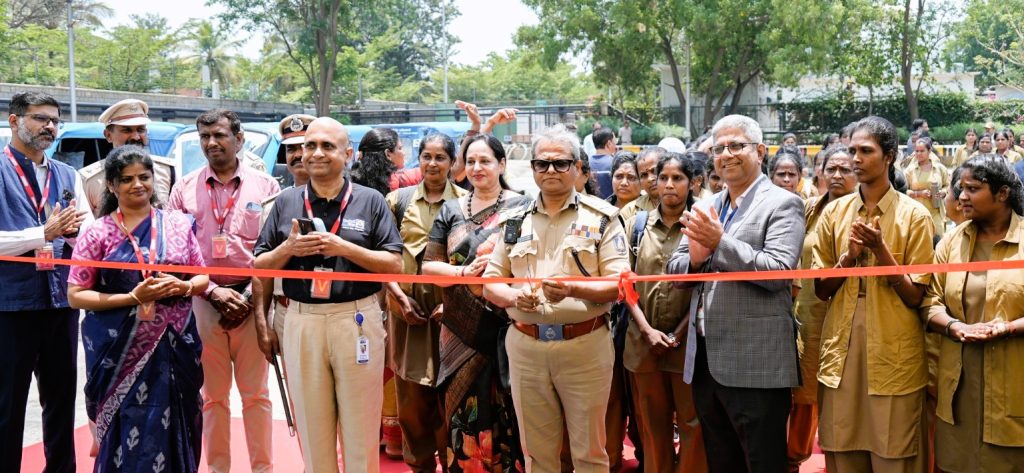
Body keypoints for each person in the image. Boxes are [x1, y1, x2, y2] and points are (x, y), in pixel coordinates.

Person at [254, 117, 403, 473]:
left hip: (356, 319)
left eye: (327, 146)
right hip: (301, 321)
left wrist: (343, 247)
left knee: (360, 431)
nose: (317, 153)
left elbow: (394, 264)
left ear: (348, 154)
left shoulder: (370, 201)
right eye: (310, 146)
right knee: (312, 429)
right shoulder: (285, 202)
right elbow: (259, 265)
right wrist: (287, 248)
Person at [483, 125, 630, 472]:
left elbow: (619, 285)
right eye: (542, 164)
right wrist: (516, 296)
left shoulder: (602, 218)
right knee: (536, 453)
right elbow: (491, 283)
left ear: (578, 168)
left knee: (589, 453)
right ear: (532, 169)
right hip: (526, 346)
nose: (551, 171)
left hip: (584, 345)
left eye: (561, 163)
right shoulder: (513, 219)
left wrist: (572, 288)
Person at [666, 114, 804, 473]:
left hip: (756, 363)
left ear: (760, 151)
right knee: (721, 461)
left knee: (762, 462)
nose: (726, 154)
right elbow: (675, 271)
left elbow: (780, 273)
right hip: (707, 362)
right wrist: (695, 263)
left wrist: (719, 243)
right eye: (718, 148)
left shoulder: (782, 203)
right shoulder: (706, 205)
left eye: (736, 146)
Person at [68, 145, 209, 472]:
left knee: (179, 420)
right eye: (127, 179)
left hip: (176, 346)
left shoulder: (177, 224)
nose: (137, 185)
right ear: (112, 185)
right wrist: (133, 297)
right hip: (118, 350)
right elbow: (76, 294)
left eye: (144, 177)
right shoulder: (97, 232)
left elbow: (202, 275)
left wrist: (185, 286)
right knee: (125, 428)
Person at [812, 116, 935, 472]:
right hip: (843, 345)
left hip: (893, 347)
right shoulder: (834, 213)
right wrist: (848, 258)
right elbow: (821, 290)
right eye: (852, 150)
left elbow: (915, 297)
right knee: (842, 446)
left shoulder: (914, 216)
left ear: (890, 156)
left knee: (895, 450)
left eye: (866, 151)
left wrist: (881, 250)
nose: (855, 159)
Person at [167, 108, 280, 473]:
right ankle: (218, 468)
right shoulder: (183, 188)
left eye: (219, 135)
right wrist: (213, 292)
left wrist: (247, 298)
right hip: (203, 301)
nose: (211, 143)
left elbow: (274, 250)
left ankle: (262, 468)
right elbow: (176, 253)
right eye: (205, 137)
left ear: (239, 139)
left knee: (257, 396)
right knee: (212, 398)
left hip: (253, 302)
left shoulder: (267, 187)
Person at [420, 133, 529, 472]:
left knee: (508, 408)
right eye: (470, 161)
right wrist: (466, 271)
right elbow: (429, 268)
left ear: (502, 164)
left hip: (505, 324)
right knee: (461, 413)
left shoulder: (523, 207)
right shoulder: (450, 210)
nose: (477, 168)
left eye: (485, 161)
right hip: (459, 330)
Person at [0, 91, 90, 473]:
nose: (49, 126)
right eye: (39, 118)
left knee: (61, 401)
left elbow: (84, 233)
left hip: (59, 303)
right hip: (11, 306)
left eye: (54, 120)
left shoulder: (67, 174)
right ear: (14, 121)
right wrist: (43, 233)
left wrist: (71, 233)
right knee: (8, 404)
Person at [921, 155, 1024, 472]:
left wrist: (1008, 328)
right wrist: (953, 327)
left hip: (1015, 383)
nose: (961, 196)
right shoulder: (952, 241)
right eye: (959, 188)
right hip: (960, 389)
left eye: (973, 188)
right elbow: (929, 299)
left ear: (1002, 193)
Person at [383, 133, 468, 472]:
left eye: (440, 157)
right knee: (412, 402)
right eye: (426, 156)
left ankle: (453, 463)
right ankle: (419, 465)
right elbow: (381, 258)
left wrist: (455, 304)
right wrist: (400, 299)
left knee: (453, 397)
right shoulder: (396, 201)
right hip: (408, 316)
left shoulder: (466, 203)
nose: (433, 163)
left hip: (455, 318)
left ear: (452, 163)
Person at [624, 152, 707, 473]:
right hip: (642, 343)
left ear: (692, 183)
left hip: (688, 345)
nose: (670, 185)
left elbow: (705, 288)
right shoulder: (636, 225)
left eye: (678, 178)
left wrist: (678, 333)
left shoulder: (701, 225)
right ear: (654, 183)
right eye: (664, 178)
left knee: (692, 423)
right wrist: (647, 331)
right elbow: (624, 285)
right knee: (652, 426)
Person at [787, 144, 858, 473]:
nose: (838, 175)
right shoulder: (809, 209)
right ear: (819, 172)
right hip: (810, 312)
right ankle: (795, 457)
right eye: (832, 169)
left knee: (845, 392)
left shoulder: (863, 214)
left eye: (846, 169)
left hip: (851, 314)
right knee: (804, 393)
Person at [255, 113, 315, 360]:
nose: (298, 154)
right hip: (287, 312)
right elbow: (262, 269)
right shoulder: (272, 206)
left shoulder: (353, 199)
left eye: (304, 146)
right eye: (291, 149)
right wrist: (262, 324)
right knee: (295, 398)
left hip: (338, 312)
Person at [80, 99, 178, 217]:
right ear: (108, 135)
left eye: (140, 130)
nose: (136, 137)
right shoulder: (89, 179)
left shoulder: (167, 171)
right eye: (127, 130)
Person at [905, 137, 951, 237]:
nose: (918, 153)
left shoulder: (939, 168)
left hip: (936, 212)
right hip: (916, 213)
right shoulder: (910, 170)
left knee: (938, 242)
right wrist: (918, 194)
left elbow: (948, 186)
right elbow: (902, 192)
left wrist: (943, 192)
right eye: (916, 151)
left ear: (929, 151)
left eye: (922, 151)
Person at [620, 147, 667, 222]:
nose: (650, 179)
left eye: (654, 171)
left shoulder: (690, 205)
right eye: (644, 175)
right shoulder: (630, 212)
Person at [590, 127, 618, 199]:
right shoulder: (615, 163)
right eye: (615, 142)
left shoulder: (587, 163)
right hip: (611, 207)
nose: (616, 146)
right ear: (609, 143)